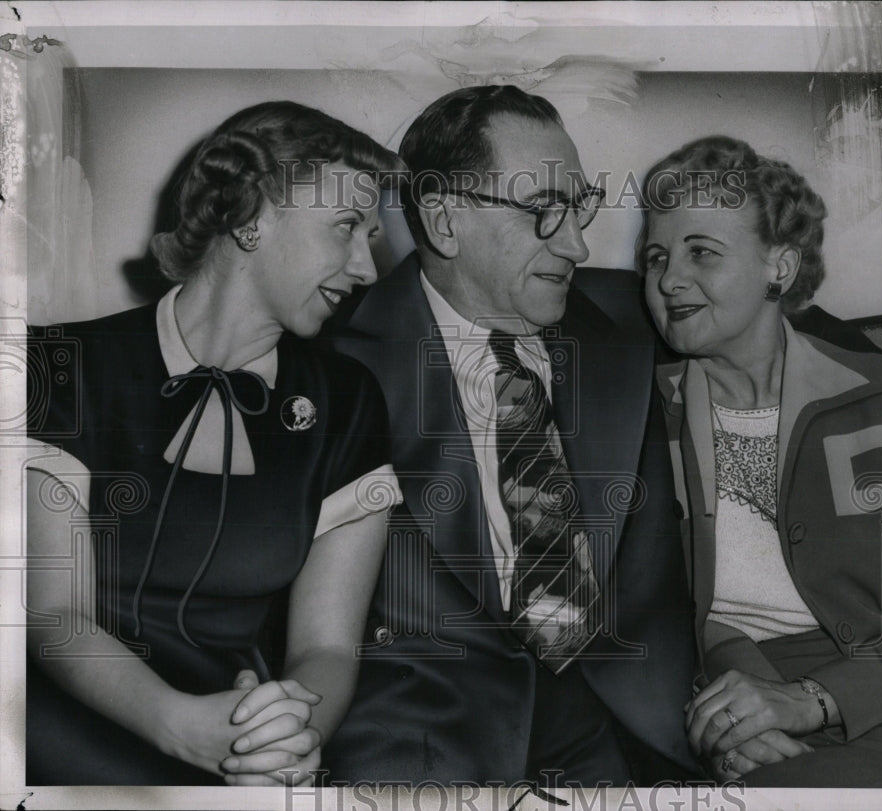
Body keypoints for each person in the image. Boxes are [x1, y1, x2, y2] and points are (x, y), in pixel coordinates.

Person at [325, 85, 698, 785]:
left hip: (636, 726)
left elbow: (778, 325)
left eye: (579, 206)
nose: (579, 243)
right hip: (432, 746)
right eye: (543, 212)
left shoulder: (625, 313)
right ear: (443, 219)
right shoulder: (336, 358)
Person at [25, 101, 404, 786]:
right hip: (53, 745)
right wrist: (180, 725)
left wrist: (289, 736)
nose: (367, 267)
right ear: (252, 220)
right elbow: (56, 615)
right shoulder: (61, 367)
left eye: (371, 236)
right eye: (347, 227)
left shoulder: (351, 401)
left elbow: (327, 645)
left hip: (244, 745)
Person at [638, 135, 882, 787]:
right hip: (751, 719)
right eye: (656, 257)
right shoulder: (637, 419)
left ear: (779, 267)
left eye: (700, 252)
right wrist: (728, 718)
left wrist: (816, 698)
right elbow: (646, 618)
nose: (668, 280)